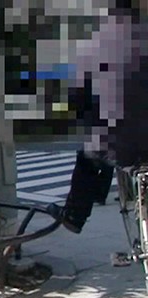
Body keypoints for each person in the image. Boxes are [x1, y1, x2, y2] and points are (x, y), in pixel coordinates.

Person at [52, 1, 148, 233]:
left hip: (115, 142)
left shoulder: (94, 44)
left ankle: (75, 215)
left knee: (92, 152)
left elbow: (78, 97)